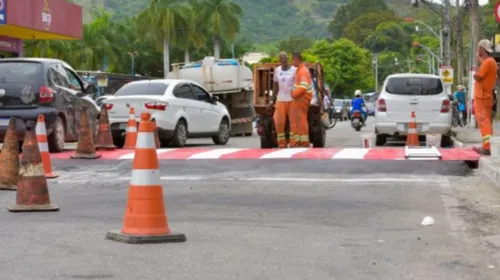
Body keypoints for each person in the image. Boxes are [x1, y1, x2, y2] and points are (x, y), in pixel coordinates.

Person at [472, 39, 498, 155]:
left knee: (484, 122)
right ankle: (485, 145)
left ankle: (486, 147)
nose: (477, 50)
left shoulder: (487, 63)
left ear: (482, 49)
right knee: (486, 120)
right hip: (486, 96)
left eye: (478, 48)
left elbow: (478, 77)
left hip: (482, 96)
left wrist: (478, 66)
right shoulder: (490, 62)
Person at [272, 51, 297, 148]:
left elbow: (298, 85)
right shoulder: (277, 70)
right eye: (281, 58)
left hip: (292, 100)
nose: (283, 60)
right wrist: (272, 99)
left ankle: (293, 143)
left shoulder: (294, 70)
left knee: (293, 122)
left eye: (285, 58)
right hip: (280, 100)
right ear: (279, 60)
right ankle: (282, 144)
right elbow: (275, 85)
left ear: (288, 58)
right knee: (278, 122)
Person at [290, 52, 313, 147]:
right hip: (300, 98)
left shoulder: (302, 71)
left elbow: (303, 86)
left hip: (302, 98)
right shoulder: (300, 70)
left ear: (297, 59)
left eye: (292, 60)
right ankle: (299, 141)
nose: (292, 62)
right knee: (298, 120)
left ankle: (304, 142)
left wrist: (293, 94)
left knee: (301, 119)